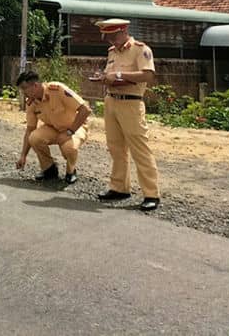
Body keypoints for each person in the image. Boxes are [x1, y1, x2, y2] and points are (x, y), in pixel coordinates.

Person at [92, 18, 160, 211]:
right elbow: (111, 75)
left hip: (131, 103)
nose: (111, 40)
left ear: (124, 31)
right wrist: (104, 78)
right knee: (116, 148)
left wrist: (120, 76)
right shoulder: (112, 53)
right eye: (108, 37)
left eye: (114, 35)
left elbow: (148, 75)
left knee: (140, 150)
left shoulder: (140, 50)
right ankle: (119, 187)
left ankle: (151, 193)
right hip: (111, 101)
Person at [15, 71, 91, 184]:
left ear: (35, 86)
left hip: (75, 127)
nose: (23, 92)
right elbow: (30, 129)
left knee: (69, 148)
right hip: (53, 128)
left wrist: (70, 132)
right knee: (34, 138)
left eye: (24, 88)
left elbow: (85, 110)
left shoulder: (57, 89)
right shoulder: (31, 103)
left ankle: (71, 171)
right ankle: (49, 169)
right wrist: (23, 156)